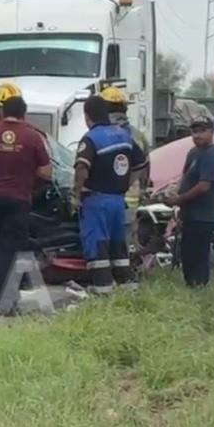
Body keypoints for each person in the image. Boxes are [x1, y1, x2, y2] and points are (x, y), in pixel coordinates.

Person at [0, 95, 53, 315]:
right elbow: (46, 172)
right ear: (24, 114)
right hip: (18, 200)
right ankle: (1, 302)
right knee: (10, 250)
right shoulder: (33, 137)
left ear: (2, 112)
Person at [74, 96, 149, 294]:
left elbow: (82, 167)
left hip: (96, 200)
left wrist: (75, 194)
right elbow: (141, 164)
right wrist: (124, 183)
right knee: (118, 245)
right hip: (118, 200)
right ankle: (127, 286)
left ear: (87, 115)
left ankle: (102, 288)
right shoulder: (124, 135)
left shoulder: (91, 138)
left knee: (97, 242)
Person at [165, 116, 214, 287]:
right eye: (194, 131)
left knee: (198, 256)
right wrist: (174, 190)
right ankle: (192, 287)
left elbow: (204, 186)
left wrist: (179, 199)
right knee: (187, 254)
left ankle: (199, 288)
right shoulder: (194, 153)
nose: (197, 135)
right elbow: (185, 177)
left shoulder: (211, 154)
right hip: (189, 214)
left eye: (202, 131)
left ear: (212, 132)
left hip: (203, 215)